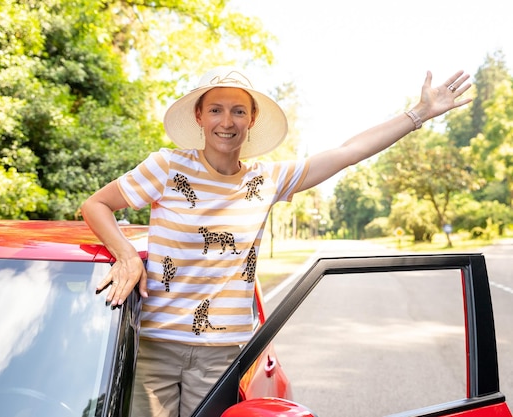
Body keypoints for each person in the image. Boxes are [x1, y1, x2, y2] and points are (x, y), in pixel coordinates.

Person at [80, 66, 471, 417]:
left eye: (238, 111)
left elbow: (348, 153)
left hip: (222, 356)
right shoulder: (166, 167)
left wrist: (417, 114)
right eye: (215, 109)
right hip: (154, 349)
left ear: (252, 119)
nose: (226, 121)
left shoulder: (266, 180)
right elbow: (96, 204)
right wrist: (126, 254)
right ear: (199, 116)